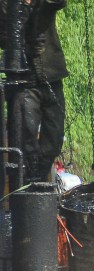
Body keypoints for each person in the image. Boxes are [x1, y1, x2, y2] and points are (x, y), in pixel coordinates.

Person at [0, 0, 67, 184]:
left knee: (55, 136)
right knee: (26, 139)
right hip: (24, 79)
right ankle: (31, 186)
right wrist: (25, 44)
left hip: (51, 72)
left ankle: (37, 179)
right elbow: (4, 35)